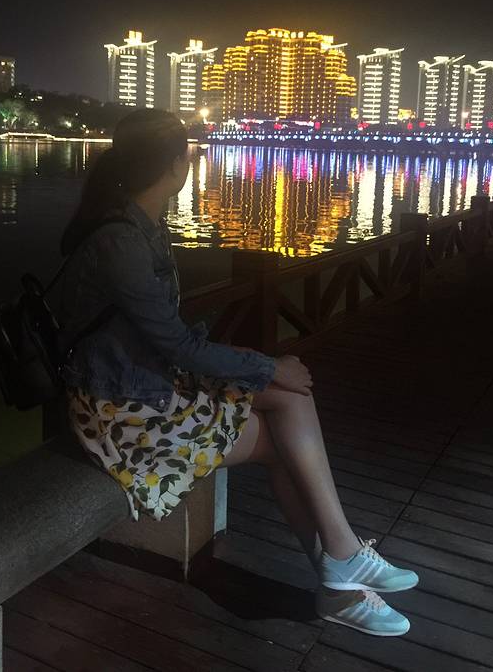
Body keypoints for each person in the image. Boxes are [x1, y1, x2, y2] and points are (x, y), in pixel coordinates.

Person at [57, 109, 418, 637]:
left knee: (290, 399)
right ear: (176, 165)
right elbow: (174, 343)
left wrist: (258, 366)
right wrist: (267, 364)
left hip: (147, 388)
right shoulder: (121, 242)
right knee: (282, 429)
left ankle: (341, 567)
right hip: (122, 416)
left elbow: (163, 338)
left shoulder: (140, 227)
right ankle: (340, 573)